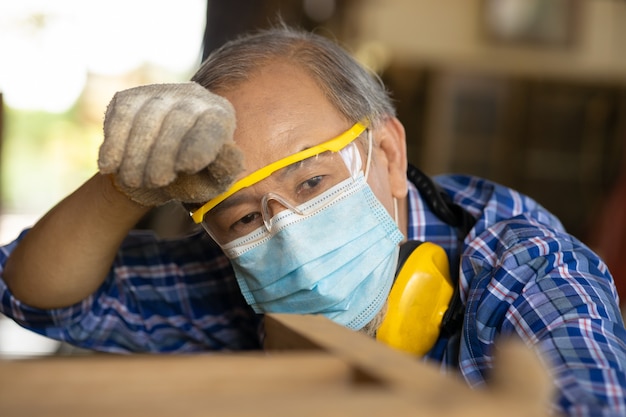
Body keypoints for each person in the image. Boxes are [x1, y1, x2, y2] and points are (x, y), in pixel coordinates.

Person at [1, 25, 625, 416]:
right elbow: (36, 295)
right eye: (245, 214)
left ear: (387, 153)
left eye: (312, 182)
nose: (288, 233)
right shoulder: (240, 268)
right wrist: (125, 187)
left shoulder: (526, 267)